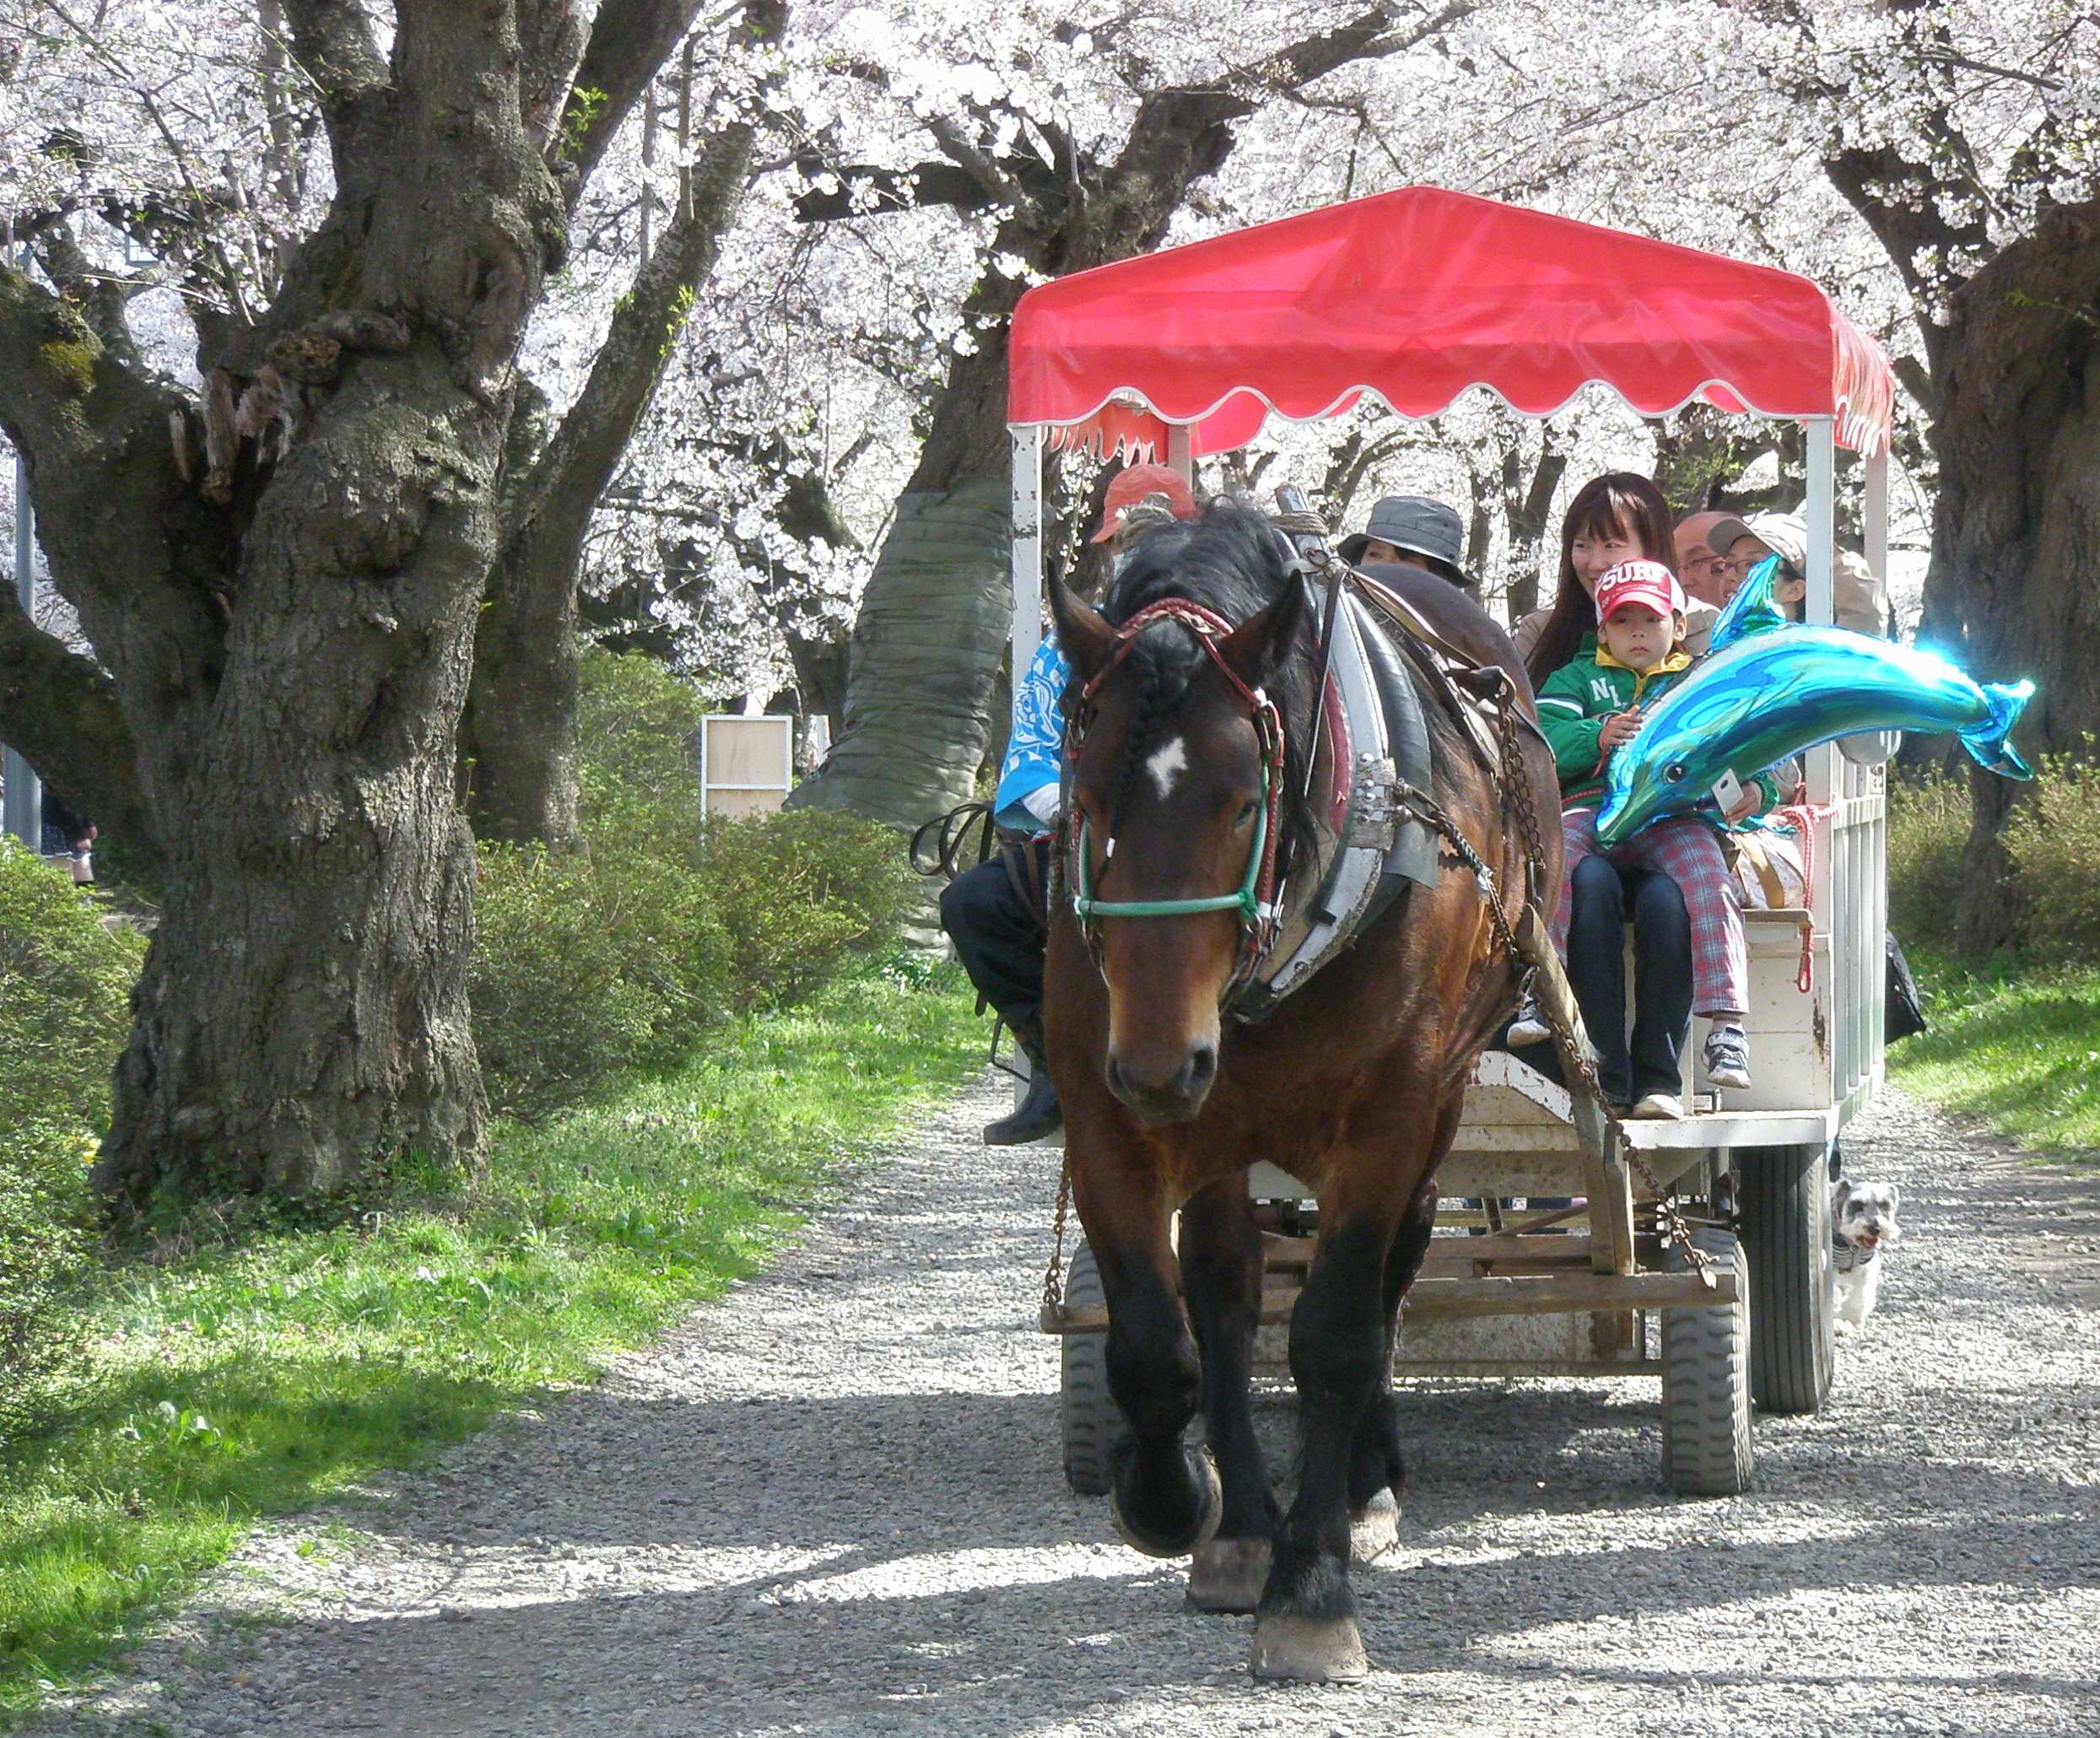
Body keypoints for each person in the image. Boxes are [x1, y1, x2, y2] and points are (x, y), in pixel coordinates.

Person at [939, 462, 1199, 1144]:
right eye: (1127, 543)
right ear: (1110, 551)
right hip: (1088, 832)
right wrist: (1077, 809)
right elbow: (1028, 752)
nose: (1139, 556)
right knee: (973, 905)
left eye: (1159, 540)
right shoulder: (1068, 646)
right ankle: (1054, 1063)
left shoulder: (1220, 644)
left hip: (1208, 843)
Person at [1522, 561, 1770, 1117]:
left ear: (1677, 626)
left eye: (1650, 620)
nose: (1637, 632)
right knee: (1556, 860)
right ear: (1602, 630)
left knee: (1707, 876)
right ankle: (1540, 995)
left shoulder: (1697, 683)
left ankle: (1726, 1025)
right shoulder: (1575, 680)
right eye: (1622, 621)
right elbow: (1541, 747)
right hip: (1593, 809)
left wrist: (1756, 792)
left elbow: (1742, 750)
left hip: (1670, 816)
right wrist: (1595, 733)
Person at [1513, 472, 1690, 677]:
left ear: (1653, 548)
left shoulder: (1703, 628)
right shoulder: (1540, 633)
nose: (1595, 564)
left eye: (1611, 545)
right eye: (1582, 545)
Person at [1339, 495, 1474, 595]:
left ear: (1438, 576)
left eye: (1406, 558)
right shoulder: (1326, 618)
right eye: (1374, 554)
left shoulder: (1457, 632)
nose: (1384, 566)